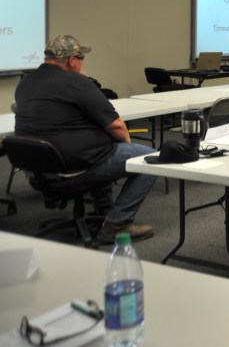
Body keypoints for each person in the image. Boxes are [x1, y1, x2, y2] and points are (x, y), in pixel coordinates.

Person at [14, 35, 156, 242]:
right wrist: (126, 151)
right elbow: (116, 126)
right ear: (72, 60)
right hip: (72, 168)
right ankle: (118, 223)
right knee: (149, 159)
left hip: (39, 170)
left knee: (103, 147)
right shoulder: (77, 83)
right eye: (81, 58)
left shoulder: (26, 83)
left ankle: (103, 208)